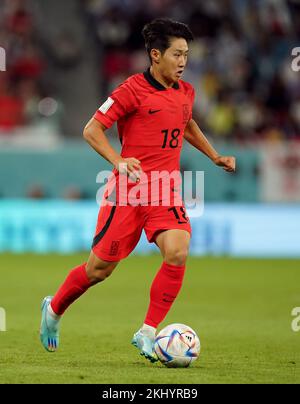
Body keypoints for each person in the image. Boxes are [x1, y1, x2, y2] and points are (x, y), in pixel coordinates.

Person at [40, 18, 235, 362]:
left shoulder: (186, 91)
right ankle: (53, 310)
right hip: (127, 191)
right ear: (155, 55)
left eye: (186, 54)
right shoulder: (131, 90)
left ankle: (147, 332)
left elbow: (186, 123)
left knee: (178, 250)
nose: (183, 61)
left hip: (165, 190)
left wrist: (214, 155)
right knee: (98, 270)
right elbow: (92, 129)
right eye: (177, 54)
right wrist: (118, 160)